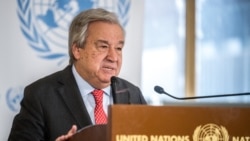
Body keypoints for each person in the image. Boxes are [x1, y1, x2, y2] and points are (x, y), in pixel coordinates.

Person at [8, 8, 147, 141]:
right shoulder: (40, 95)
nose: (113, 57)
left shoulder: (133, 94)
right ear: (77, 50)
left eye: (118, 48)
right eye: (103, 46)